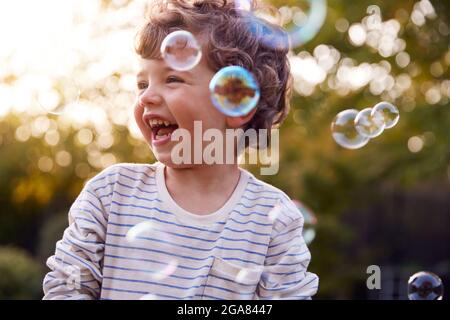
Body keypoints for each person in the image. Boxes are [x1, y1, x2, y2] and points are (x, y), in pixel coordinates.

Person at [43, 0, 319, 300]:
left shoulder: (273, 219)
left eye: (172, 79)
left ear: (237, 99)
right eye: (141, 84)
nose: (146, 97)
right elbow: (66, 287)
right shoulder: (110, 194)